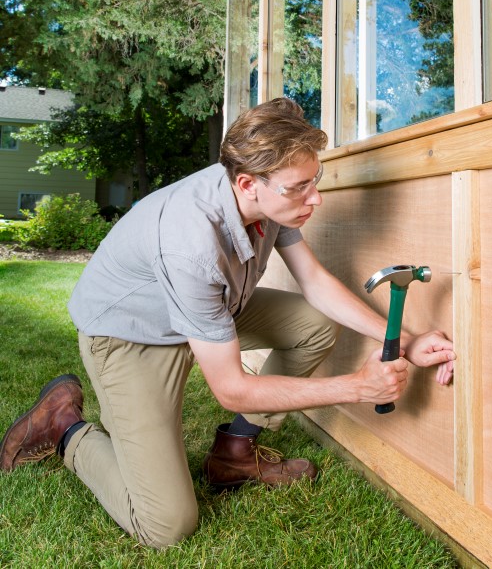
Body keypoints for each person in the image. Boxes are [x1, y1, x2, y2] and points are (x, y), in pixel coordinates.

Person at [0, 97, 455, 549]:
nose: (315, 197)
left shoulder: (269, 199)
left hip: (205, 311)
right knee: (166, 524)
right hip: (129, 335)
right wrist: (358, 387)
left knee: (313, 324)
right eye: (299, 186)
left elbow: (314, 282)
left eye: (314, 179)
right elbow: (231, 388)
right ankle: (64, 427)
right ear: (247, 183)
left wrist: (408, 340)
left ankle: (235, 453)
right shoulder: (192, 243)